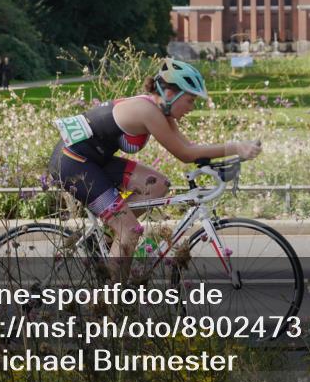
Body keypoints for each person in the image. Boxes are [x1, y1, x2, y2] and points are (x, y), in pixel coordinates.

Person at [47, 59, 262, 266]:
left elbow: (192, 148)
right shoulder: (147, 111)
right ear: (170, 93)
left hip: (94, 160)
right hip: (72, 163)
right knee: (129, 231)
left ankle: (108, 236)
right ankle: (110, 300)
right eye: (190, 100)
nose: (192, 107)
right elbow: (185, 154)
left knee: (158, 185)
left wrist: (221, 158)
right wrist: (234, 146)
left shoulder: (161, 110)